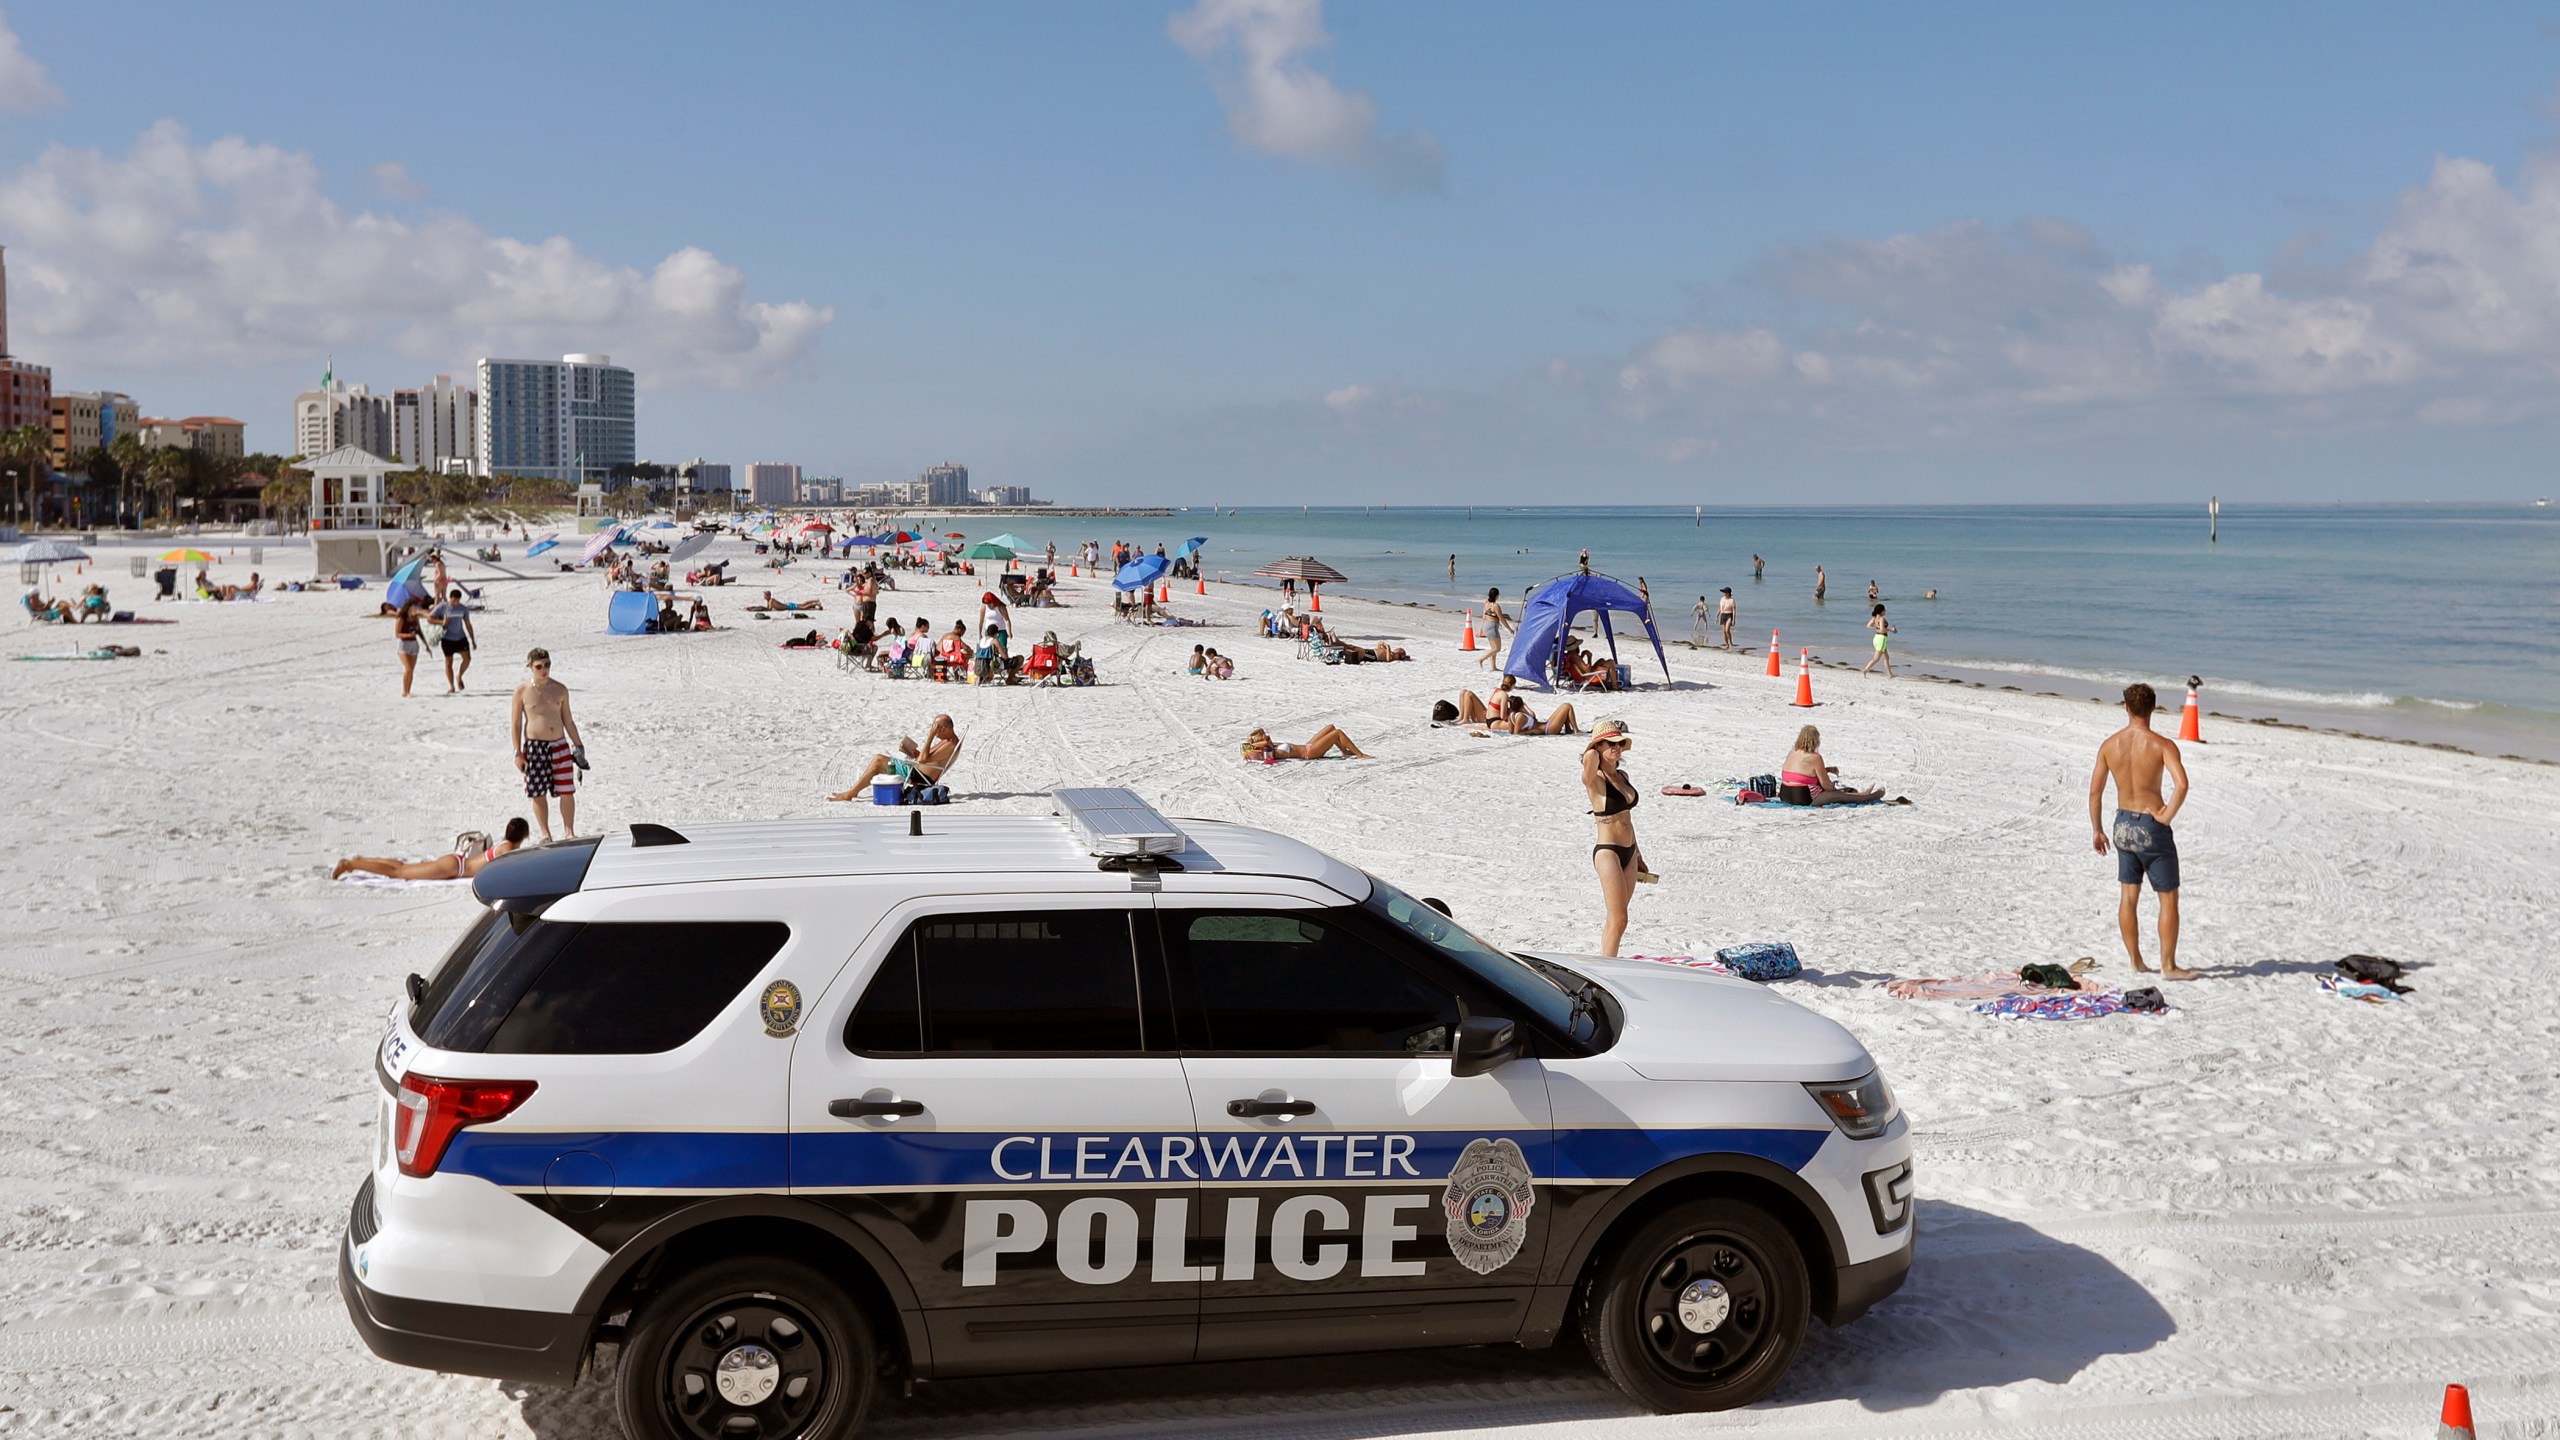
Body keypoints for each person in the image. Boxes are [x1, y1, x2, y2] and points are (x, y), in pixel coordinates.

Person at [2089, 682, 2193, 979]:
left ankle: (2136, 960)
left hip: (2122, 824)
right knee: (2168, 898)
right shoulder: (2162, 745)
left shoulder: (2110, 745)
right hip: (2151, 826)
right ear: (2153, 708)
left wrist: (2097, 830)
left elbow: (2095, 794)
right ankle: (2168, 966)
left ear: (2126, 707)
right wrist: (2166, 816)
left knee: (2128, 896)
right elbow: (2182, 784)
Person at [1583, 720, 1650, 957]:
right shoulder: (1594, 779)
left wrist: (1639, 854)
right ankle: (1606, 969)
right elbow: (1587, 766)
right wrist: (1592, 750)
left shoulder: (1623, 775)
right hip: (1608, 851)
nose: (1617, 747)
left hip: (1629, 851)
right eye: (1610, 743)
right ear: (1598, 747)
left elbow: (1627, 818)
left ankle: (1607, 960)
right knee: (1619, 918)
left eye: (1620, 742)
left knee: (1618, 920)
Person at [510, 648, 586, 841]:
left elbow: (568, 720)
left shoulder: (560, 689)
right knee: (537, 791)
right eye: (539, 666)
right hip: (535, 747)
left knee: (567, 789)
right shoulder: (522, 691)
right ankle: (545, 833)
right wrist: (517, 752)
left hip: (559, 744)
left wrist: (578, 745)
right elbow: (516, 724)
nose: (544, 669)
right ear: (530, 667)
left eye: (547, 665)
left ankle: (569, 831)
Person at [334, 818, 530, 881]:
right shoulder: (508, 850)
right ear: (525, 835)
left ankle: (362, 860)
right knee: (400, 872)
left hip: (457, 862)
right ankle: (351, 865)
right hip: (455, 868)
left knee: (403, 867)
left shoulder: (504, 844)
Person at [828, 714, 962, 800]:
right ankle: (853, 792)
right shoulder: (948, 741)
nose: (935, 732)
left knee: (878, 761)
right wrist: (911, 751)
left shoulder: (950, 744)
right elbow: (925, 757)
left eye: (936, 728)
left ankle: (851, 793)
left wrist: (930, 736)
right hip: (918, 769)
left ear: (944, 729)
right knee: (879, 760)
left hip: (918, 775)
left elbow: (922, 760)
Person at [1779, 725, 1883, 806]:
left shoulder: (1793, 752)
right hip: (1801, 797)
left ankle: (1861, 794)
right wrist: (1834, 789)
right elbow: (1826, 785)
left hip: (1785, 794)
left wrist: (1827, 770)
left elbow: (1801, 773)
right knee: (1836, 795)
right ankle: (1865, 796)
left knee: (1831, 791)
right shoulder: (1815, 757)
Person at [431, 587, 478, 694]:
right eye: (454, 600)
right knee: (448, 662)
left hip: (460, 637)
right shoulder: (442, 607)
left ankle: (459, 676)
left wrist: (473, 639)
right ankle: (451, 686)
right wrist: (442, 622)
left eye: (458, 600)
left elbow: (468, 624)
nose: (456, 602)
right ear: (450, 598)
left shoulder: (463, 608)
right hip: (447, 639)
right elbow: (430, 618)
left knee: (467, 659)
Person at [1241, 725, 1370, 761]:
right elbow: (1247, 747)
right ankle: (1360, 754)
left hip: (1307, 746)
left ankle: (1344, 751)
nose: (1267, 736)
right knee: (1338, 733)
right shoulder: (1269, 749)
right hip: (1309, 753)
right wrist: (1255, 742)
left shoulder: (1271, 744)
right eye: (1264, 736)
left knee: (1331, 727)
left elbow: (1249, 743)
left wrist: (1256, 737)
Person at [1496, 694, 1579, 735]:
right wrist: (1532, 731)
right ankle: (1576, 730)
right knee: (1567, 706)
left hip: (1546, 725)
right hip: (1548, 729)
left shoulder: (1512, 716)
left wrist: (1525, 706)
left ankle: (1568, 729)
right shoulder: (1520, 717)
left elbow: (1510, 732)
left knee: (1564, 706)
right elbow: (1516, 733)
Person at [393, 597, 426, 697]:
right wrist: (408, 635)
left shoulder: (415, 618)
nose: (415, 610)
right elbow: (397, 634)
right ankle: (405, 691)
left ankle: (408, 690)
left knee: (411, 669)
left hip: (414, 644)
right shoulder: (401, 618)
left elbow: (419, 631)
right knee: (408, 668)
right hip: (403, 645)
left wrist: (426, 644)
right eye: (413, 608)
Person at [1861, 603, 1894, 678]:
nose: (1885, 611)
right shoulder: (1881, 618)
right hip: (1881, 639)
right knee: (1876, 658)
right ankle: (1865, 670)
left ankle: (1890, 674)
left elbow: (1868, 626)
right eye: (1884, 610)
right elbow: (1882, 630)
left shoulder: (1875, 618)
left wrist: (1876, 628)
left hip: (1877, 638)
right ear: (1881, 611)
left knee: (1886, 657)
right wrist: (1891, 629)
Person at [1479, 587, 1507, 669]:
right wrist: (1509, 629)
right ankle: (1481, 659)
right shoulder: (1495, 606)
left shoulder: (1486, 603)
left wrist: (1481, 628)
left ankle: (1493, 666)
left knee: (1493, 648)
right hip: (1492, 627)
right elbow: (1501, 618)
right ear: (1497, 596)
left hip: (1486, 626)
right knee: (1497, 648)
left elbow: (1484, 616)